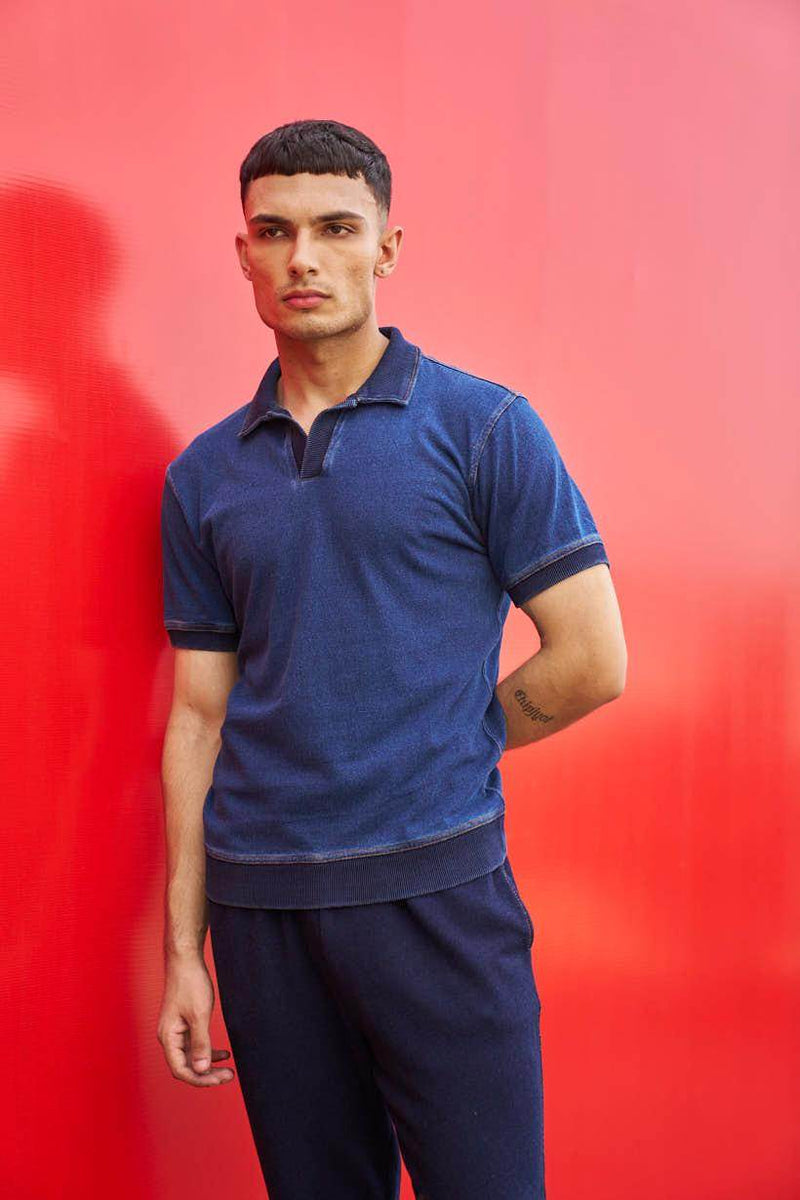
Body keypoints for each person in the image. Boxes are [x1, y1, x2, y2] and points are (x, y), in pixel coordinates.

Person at [156, 118, 626, 1200]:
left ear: (387, 248)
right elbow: (198, 717)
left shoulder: (483, 427)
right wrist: (185, 950)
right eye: (274, 232)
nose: (303, 258)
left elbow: (592, 659)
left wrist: (448, 741)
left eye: (335, 228)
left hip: (437, 896)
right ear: (244, 253)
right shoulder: (203, 475)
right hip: (262, 910)